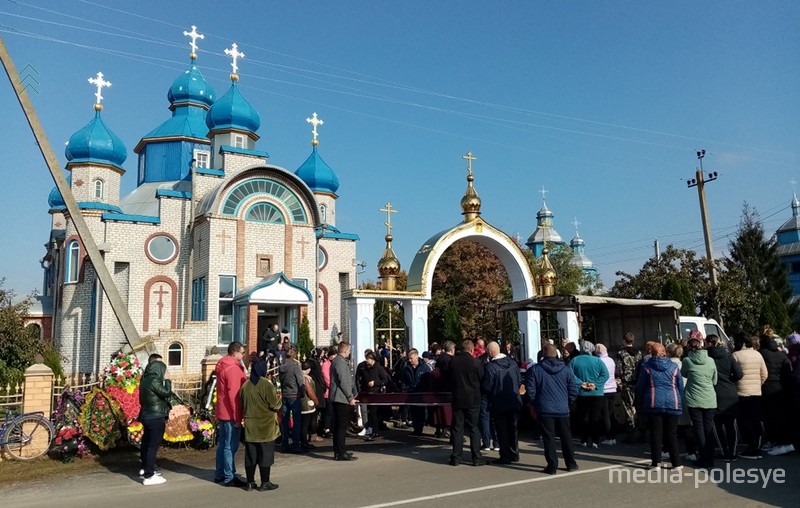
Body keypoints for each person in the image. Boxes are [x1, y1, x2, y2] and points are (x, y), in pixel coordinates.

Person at [525, 343, 579, 474]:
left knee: (548, 438)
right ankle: (571, 463)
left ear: (543, 354)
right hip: (562, 408)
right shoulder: (566, 369)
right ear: (557, 354)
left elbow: (531, 391)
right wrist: (568, 401)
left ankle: (552, 465)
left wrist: (534, 403)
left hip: (545, 408)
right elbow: (574, 389)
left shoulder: (535, 370)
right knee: (566, 437)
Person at [637, 343, 683, 470]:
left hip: (653, 402)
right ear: (664, 353)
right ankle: (676, 463)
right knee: (672, 434)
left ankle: (656, 463)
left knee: (656, 434)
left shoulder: (647, 367)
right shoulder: (674, 367)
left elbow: (641, 386)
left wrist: (640, 401)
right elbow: (680, 385)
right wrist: (680, 401)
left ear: (651, 353)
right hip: (672, 401)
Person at [239, 359, 280, 491]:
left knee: (251, 456)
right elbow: (274, 404)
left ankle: (250, 482)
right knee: (265, 455)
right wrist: (280, 401)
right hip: (266, 426)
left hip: (251, 426)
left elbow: (241, 404)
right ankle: (265, 482)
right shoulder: (266, 385)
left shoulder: (245, 386)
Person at [447, 339, 485, 466]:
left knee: (458, 429)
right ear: (471, 350)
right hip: (473, 399)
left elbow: (449, 378)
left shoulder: (453, 362)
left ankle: (456, 457)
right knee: (474, 428)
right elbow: (481, 379)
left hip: (458, 399)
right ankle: (476, 457)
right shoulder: (476, 363)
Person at [704, 334, 742, 462]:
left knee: (717, 424)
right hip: (730, 391)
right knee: (731, 425)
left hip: (715, 391)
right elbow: (739, 374)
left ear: (709, 343)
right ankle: (733, 452)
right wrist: (730, 380)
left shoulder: (707, 357)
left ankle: (724, 451)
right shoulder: (728, 356)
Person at [482, 341, 522, 464]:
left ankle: (505, 455)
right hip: (513, 400)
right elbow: (519, 380)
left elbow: (487, 386)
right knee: (513, 428)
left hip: (499, 402)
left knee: (502, 429)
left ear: (489, 352)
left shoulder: (491, 367)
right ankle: (514, 453)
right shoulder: (513, 363)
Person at [681, 338, 718, 468]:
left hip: (693, 397)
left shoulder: (687, 361)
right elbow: (715, 379)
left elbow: (683, 374)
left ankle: (703, 458)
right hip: (709, 397)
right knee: (709, 428)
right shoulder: (710, 360)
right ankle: (711, 458)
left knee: (699, 429)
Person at [215, 342, 247, 487]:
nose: (243, 355)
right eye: (242, 352)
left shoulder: (222, 364)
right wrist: (237, 417)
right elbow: (234, 395)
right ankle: (229, 475)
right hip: (230, 413)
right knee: (230, 445)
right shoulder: (233, 369)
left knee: (223, 444)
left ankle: (220, 473)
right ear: (235, 353)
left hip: (223, 411)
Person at [732, 332, 768, 459]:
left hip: (741, 392)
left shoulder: (735, 355)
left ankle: (750, 446)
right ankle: (757, 446)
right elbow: (765, 374)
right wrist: (758, 384)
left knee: (745, 420)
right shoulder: (758, 354)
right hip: (756, 391)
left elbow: (733, 374)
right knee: (756, 419)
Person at [759, 334, 794, 455]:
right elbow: (787, 372)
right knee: (780, 416)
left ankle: (776, 441)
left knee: (769, 417)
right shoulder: (782, 355)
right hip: (780, 387)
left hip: (767, 387)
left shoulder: (762, 353)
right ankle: (781, 442)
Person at [570, 340, 609, 449]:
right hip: (597, 393)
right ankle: (595, 441)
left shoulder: (574, 360)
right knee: (595, 417)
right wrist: (595, 384)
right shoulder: (598, 361)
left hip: (582, 393)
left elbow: (570, 375)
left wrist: (580, 383)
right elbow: (605, 375)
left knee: (583, 417)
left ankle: (584, 440)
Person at [139, 357, 172, 485]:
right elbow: (167, 393)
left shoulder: (145, 380)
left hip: (147, 415)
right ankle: (150, 475)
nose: (165, 372)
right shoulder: (154, 381)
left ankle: (146, 469)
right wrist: (168, 380)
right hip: (155, 417)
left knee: (147, 444)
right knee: (153, 447)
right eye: (164, 370)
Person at [329, 341, 358, 460]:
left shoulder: (336, 361)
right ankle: (341, 452)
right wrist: (350, 397)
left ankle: (338, 452)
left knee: (338, 426)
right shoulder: (340, 362)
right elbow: (344, 382)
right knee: (341, 427)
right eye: (349, 351)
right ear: (345, 350)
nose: (349, 353)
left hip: (337, 397)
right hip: (341, 398)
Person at [615, 331, 642, 439]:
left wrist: (619, 380)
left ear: (624, 340)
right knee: (638, 407)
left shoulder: (621, 353)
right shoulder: (639, 353)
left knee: (628, 409)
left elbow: (618, 369)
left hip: (627, 384)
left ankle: (631, 433)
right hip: (638, 383)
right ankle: (641, 432)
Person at [278, 346, 305, 453]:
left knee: (284, 420)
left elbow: (280, 379)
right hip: (294, 395)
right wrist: (302, 391)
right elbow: (300, 380)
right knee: (297, 420)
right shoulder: (295, 366)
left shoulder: (282, 366)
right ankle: (295, 444)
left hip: (285, 394)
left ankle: (284, 444)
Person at [359, 352, 391, 440]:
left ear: (372, 359)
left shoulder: (378, 368)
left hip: (376, 393)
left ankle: (375, 431)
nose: (366, 361)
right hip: (368, 393)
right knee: (371, 413)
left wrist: (375, 383)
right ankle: (373, 430)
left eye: (367, 359)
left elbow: (385, 379)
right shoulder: (366, 368)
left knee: (374, 413)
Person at [402, 348, 432, 436]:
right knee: (413, 412)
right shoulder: (407, 368)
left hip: (421, 393)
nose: (410, 360)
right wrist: (405, 389)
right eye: (409, 359)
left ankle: (419, 429)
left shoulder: (425, 367)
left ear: (416, 357)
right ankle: (416, 429)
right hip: (411, 393)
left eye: (411, 358)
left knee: (421, 412)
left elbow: (429, 380)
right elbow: (404, 380)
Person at [594, 344, 618, 445]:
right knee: (612, 413)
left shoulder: (599, 361)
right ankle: (613, 437)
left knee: (605, 415)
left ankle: (608, 437)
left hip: (604, 389)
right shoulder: (611, 360)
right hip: (613, 388)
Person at [299, 360, 320, 450]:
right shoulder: (306, 378)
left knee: (303, 424)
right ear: (308, 369)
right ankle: (304, 442)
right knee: (305, 424)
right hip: (307, 404)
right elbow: (310, 391)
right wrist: (316, 400)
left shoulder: (300, 376)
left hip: (303, 403)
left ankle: (303, 441)